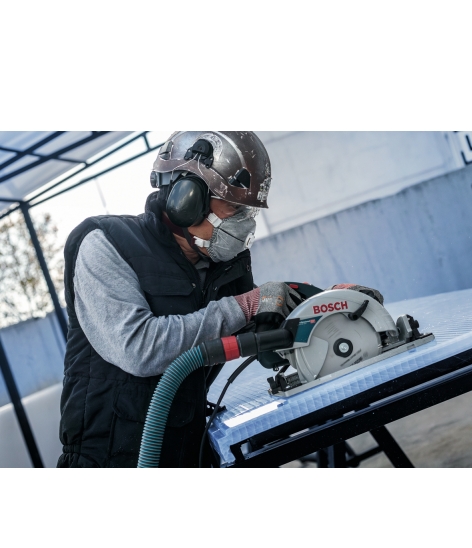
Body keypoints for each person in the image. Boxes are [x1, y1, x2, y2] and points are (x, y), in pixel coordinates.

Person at [57, 131, 382, 468]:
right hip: (110, 461)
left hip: (188, 452)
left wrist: (332, 304)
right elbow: (139, 348)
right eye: (235, 207)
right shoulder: (106, 244)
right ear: (187, 198)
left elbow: (263, 333)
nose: (245, 223)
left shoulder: (223, 266)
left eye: (249, 211)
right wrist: (246, 305)